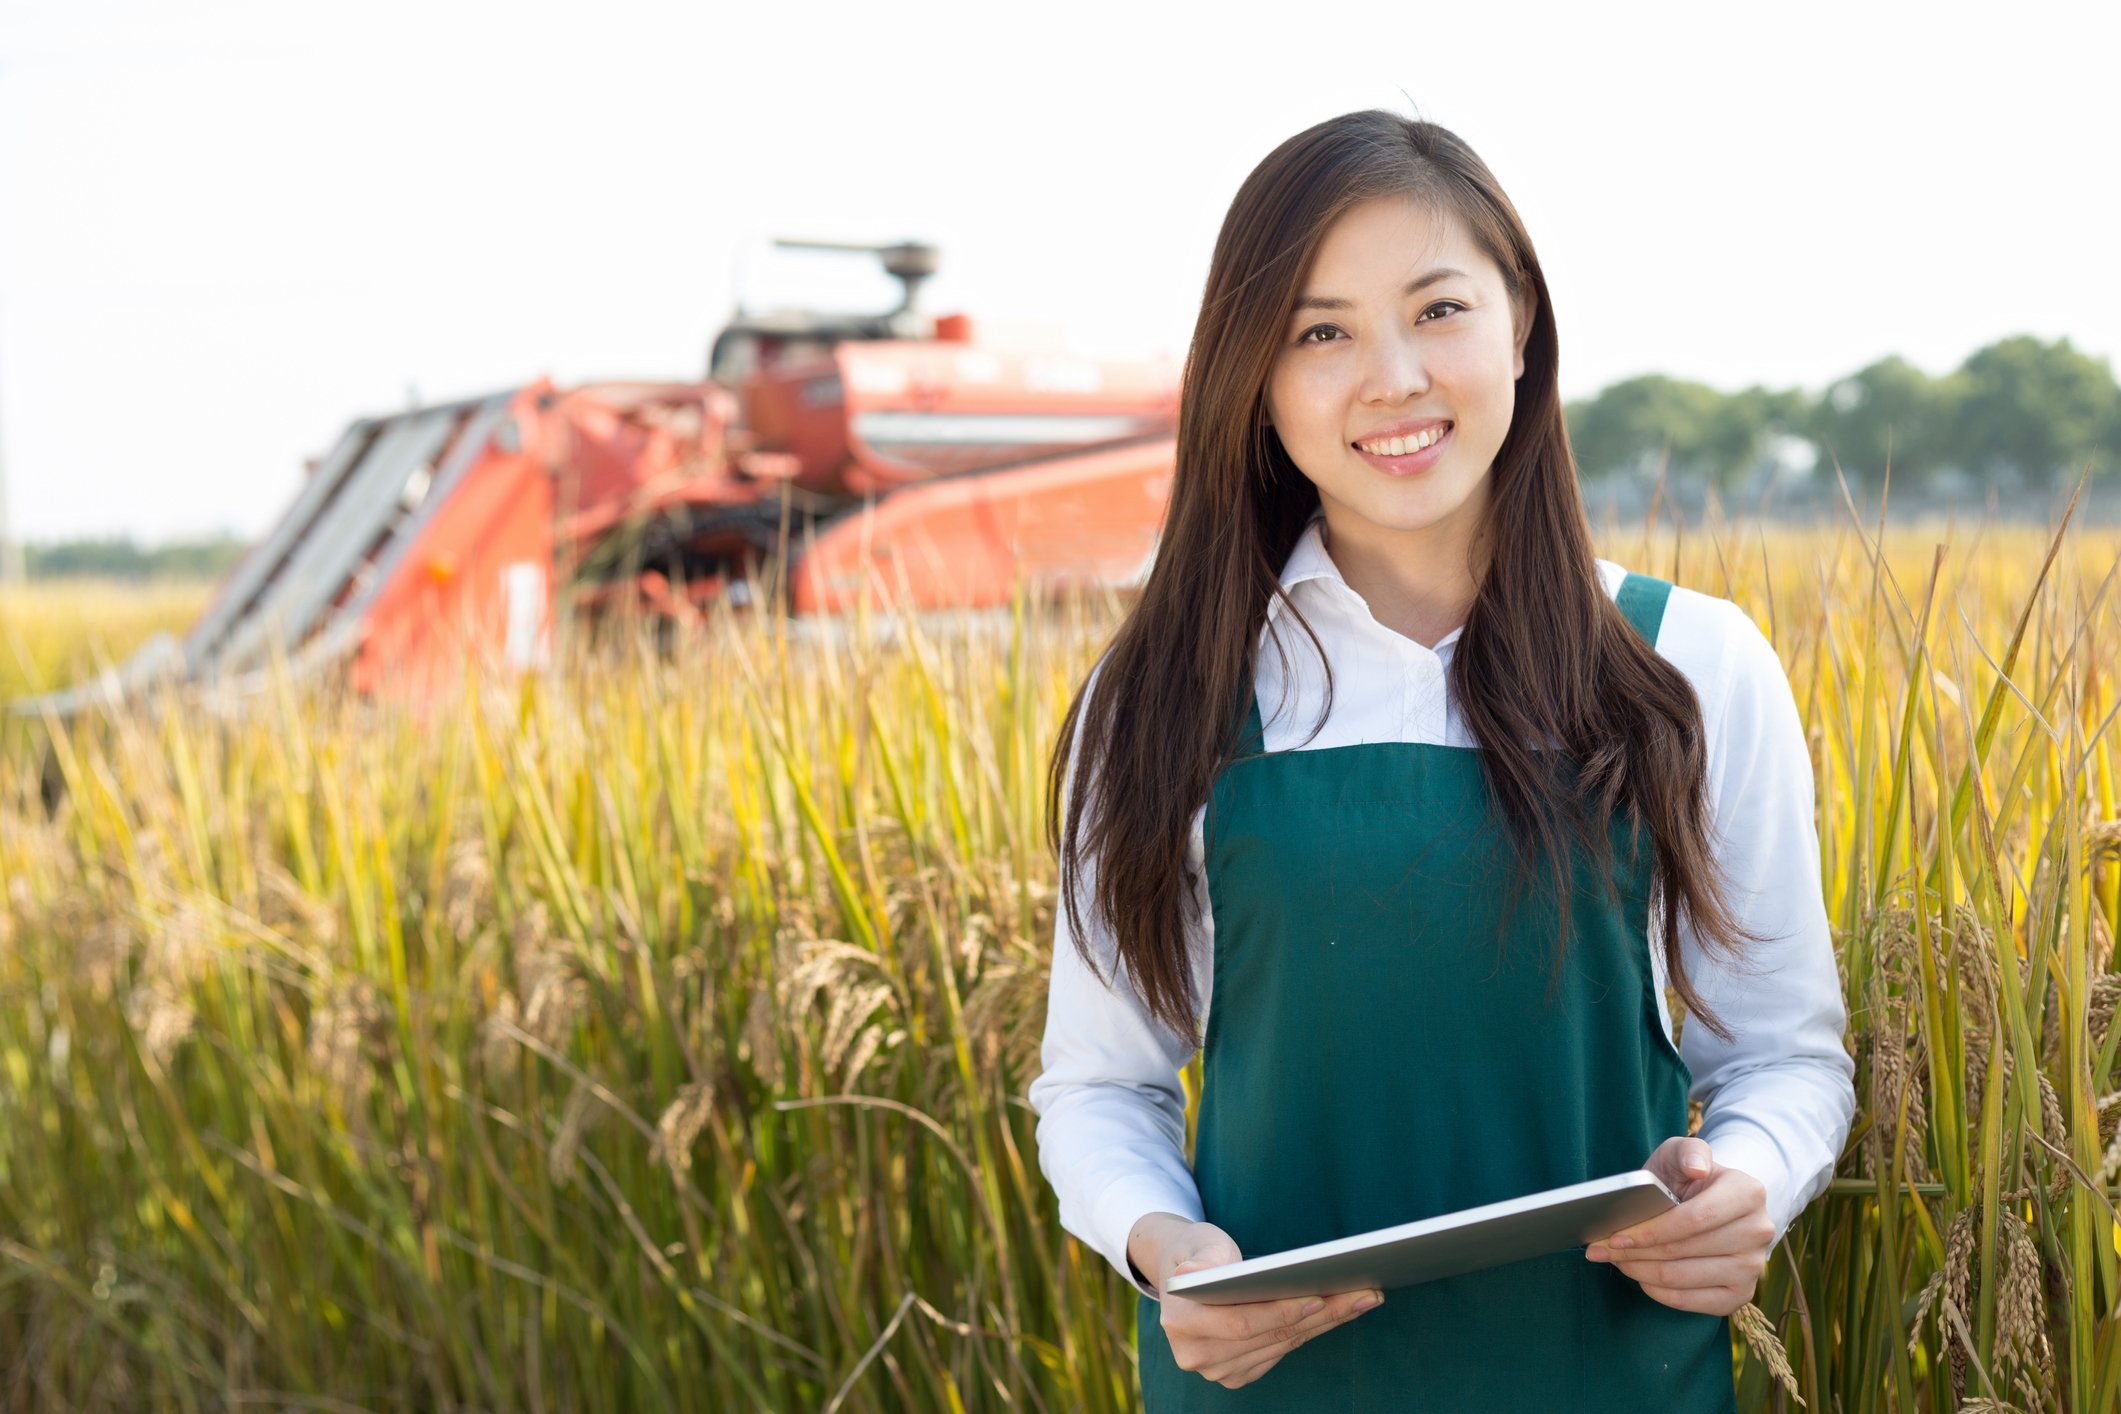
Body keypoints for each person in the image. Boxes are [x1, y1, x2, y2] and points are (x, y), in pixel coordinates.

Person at [1025, 108, 1856, 1411]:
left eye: (1436, 309)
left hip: (1604, 1374)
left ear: (1519, 321)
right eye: (1320, 331)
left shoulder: (1686, 667)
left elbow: (1782, 1054)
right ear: (1254, 377)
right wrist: (1159, 1245)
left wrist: (1746, 1174)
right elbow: (1097, 1081)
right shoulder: (1158, 702)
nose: (1392, 376)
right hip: (1273, 1389)